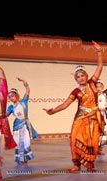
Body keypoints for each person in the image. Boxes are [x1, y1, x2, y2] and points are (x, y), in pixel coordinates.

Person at [43, 41, 103, 172]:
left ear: (86, 76)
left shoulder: (93, 83)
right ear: (75, 79)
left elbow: (99, 67)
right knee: (73, 139)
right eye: (78, 77)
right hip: (80, 118)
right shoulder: (75, 92)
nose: (80, 78)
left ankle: (90, 165)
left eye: (82, 75)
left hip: (93, 118)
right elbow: (65, 104)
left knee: (91, 141)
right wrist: (53, 111)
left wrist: (99, 52)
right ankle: (76, 165)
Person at [6, 77, 39, 166]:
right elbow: (5, 116)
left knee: (25, 141)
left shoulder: (24, 102)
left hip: (25, 124)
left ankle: (25, 158)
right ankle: (20, 159)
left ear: (17, 95)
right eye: (9, 97)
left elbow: (28, 90)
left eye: (12, 96)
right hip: (17, 126)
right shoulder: (11, 107)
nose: (11, 98)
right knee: (19, 142)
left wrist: (24, 81)